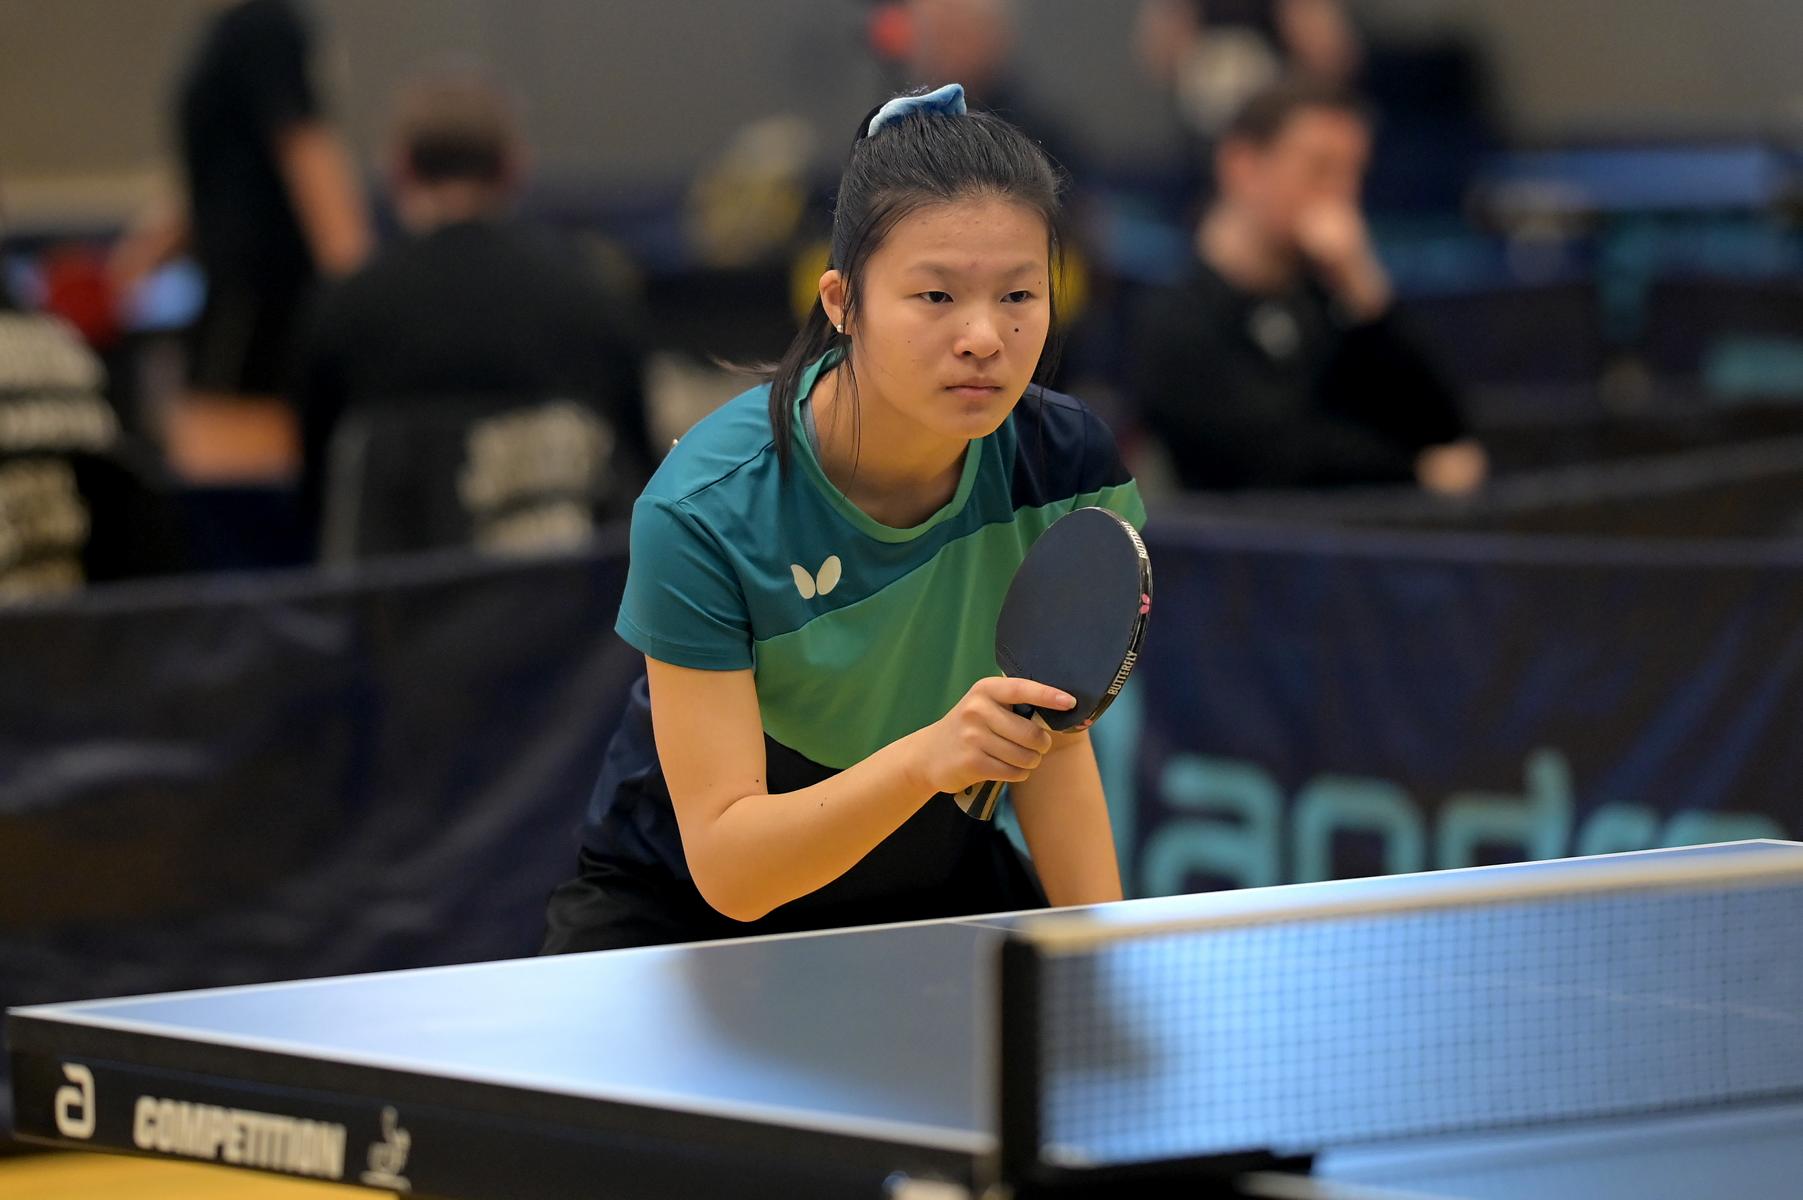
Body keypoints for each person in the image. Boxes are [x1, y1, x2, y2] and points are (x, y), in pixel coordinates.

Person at [542, 85, 1146, 953]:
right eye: (935, 296)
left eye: (1018, 295)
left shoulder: (1065, 465)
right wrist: (928, 759)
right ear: (840, 302)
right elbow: (731, 872)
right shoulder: (710, 508)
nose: (984, 336)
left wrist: (1105, 957)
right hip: (682, 913)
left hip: (929, 878)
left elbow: (1051, 744)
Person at [291, 70, 654, 555]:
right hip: (563, 597)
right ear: (514, 169)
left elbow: (319, 496)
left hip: (396, 598)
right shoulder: (594, 296)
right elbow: (640, 479)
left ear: (400, 170)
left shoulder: (344, 309)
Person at [1130, 80, 1486, 494]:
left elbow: (1445, 432)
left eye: (1354, 173)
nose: (1342, 194)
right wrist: (1415, 473)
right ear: (1242, 166)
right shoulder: (1174, 319)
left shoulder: (1333, 303)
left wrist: (1368, 296)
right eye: (1320, 169)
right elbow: (1273, 458)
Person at [110, 0, 370, 481]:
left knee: (227, 488)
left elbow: (311, 162)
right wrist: (131, 267)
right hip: (233, 302)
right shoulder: (227, 35)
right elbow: (218, 187)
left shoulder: (264, 27)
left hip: (257, 305)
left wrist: (364, 301)